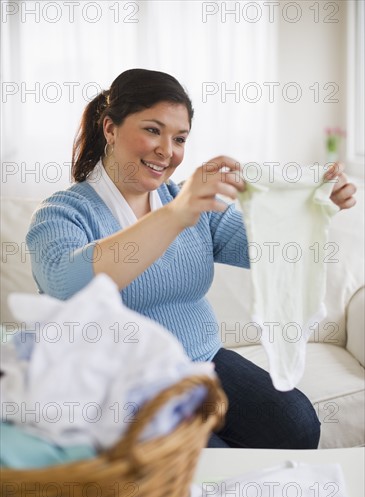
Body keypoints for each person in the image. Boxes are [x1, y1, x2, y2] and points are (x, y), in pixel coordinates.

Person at [27, 68, 356, 448]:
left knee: (296, 424)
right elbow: (68, 285)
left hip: (202, 359)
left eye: (179, 138)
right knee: (201, 462)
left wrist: (316, 207)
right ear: (110, 129)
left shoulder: (185, 202)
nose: (167, 150)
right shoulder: (62, 214)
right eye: (152, 130)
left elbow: (266, 249)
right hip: (122, 383)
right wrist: (177, 214)